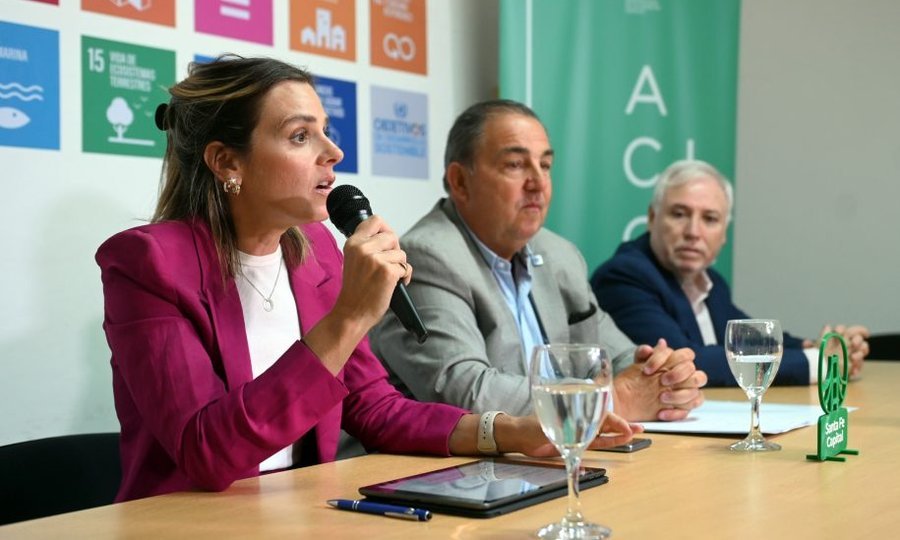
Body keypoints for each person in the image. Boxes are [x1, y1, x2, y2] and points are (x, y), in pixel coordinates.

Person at [95, 56, 639, 502]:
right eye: (300, 136)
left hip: (303, 515)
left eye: (325, 132)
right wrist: (350, 317)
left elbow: (373, 407)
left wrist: (504, 432)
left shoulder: (318, 256)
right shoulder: (147, 265)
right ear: (226, 163)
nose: (333, 153)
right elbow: (207, 453)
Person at [370, 99, 707, 422]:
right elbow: (465, 392)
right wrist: (610, 401)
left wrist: (662, 376)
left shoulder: (560, 255)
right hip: (446, 470)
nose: (538, 183)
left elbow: (616, 356)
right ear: (460, 181)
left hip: (550, 456)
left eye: (545, 165)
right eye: (516, 165)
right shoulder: (428, 258)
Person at [590, 159, 869, 387]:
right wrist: (816, 362)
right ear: (652, 218)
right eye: (679, 214)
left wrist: (823, 348)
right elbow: (682, 364)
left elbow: (750, 341)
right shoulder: (624, 277)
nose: (693, 232)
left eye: (709, 219)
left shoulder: (710, 283)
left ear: (724, 233)